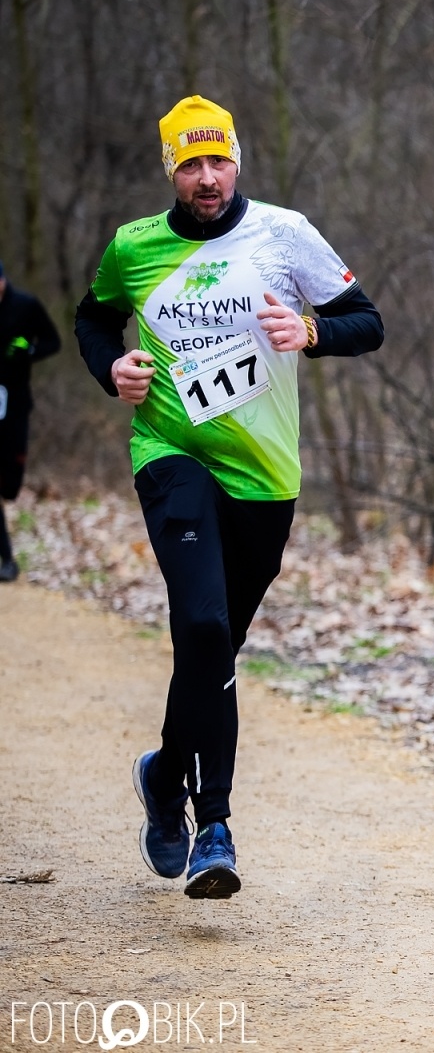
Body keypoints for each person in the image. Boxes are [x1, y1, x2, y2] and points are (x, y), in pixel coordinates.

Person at [75, 96, 383, 899]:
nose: (206, 178)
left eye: (218, 161)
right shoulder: (133, 247)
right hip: (172, 454)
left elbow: (368, 321)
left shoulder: (283, 234)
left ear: (236, 161)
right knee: (203, 625)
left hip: (265, 475)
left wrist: (311, 334)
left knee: (216, 649)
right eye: (190, 163)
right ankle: (214, 824)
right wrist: (112, 367)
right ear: (170, 169)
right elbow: (93, 320)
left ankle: (165, 770)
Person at [0, 259, 63, 581]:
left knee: (9, 484)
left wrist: (28, 351)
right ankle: (6, 559)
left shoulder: (25, 305)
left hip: (15, 402)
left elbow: (53, 341)